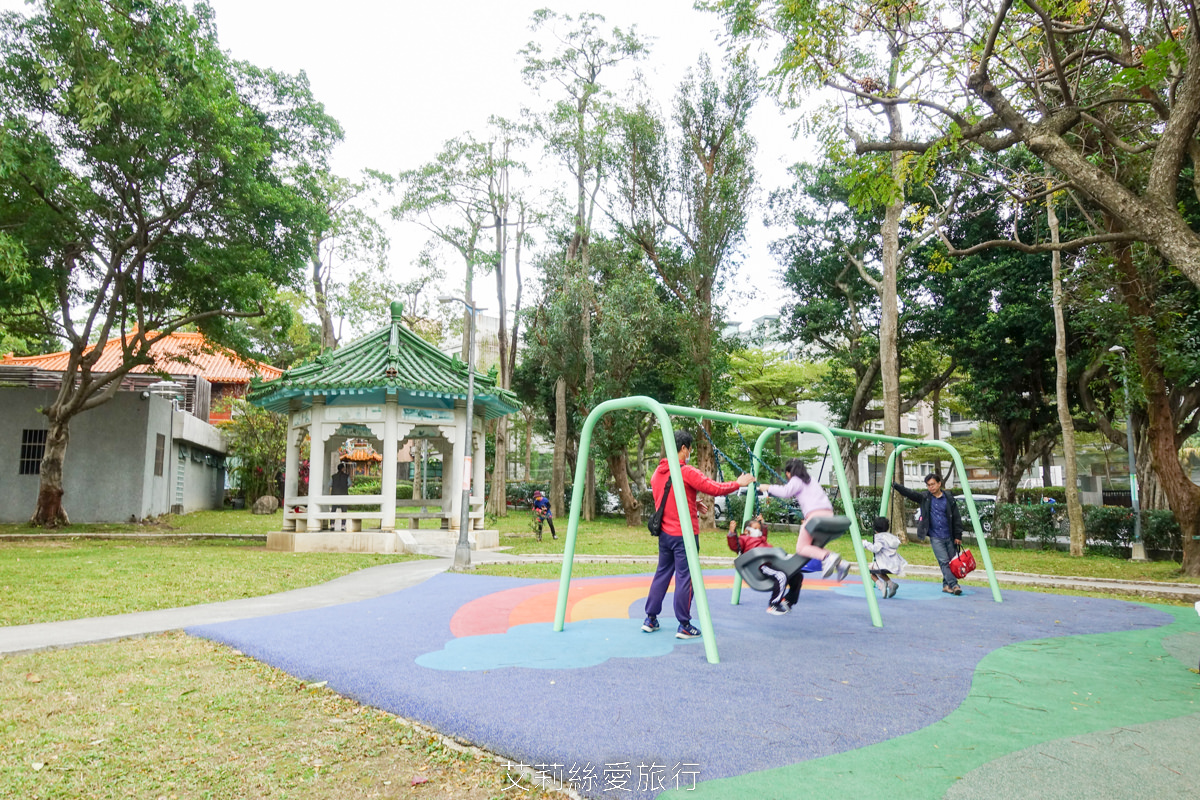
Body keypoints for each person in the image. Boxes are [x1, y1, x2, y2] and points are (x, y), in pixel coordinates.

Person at [643, 430, 754, 639]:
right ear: (684, 448)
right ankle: (684, 624)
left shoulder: (657, 473)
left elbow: (665, 500)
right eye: (690, 448)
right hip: (684, 536)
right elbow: (713, 488)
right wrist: (738, 484)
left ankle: (650, 618)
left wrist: (691, 502)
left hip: (665, 535)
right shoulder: (686, 472)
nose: (690, 452)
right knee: (685, 577)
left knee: (662, 574)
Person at [758, 459, 850, 581]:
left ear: (789, 473)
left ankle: (828, 556)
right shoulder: (811, 480)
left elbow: (786, 492)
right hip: (828, 514)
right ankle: (840, 564)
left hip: (815, 516)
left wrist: (767, 487)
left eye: (787, 475)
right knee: (814, 546)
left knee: (801, 548)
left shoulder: (796, 480)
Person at [893, 473, 964, 595]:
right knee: (944, 561)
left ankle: (946, 585)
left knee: (952, 562)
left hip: (950, 535)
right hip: (936, 536)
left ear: (939, 484)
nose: (931, 487)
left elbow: (956, 517)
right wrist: (896, 486)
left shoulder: (948, 498)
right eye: (928, 485)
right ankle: (954, 584)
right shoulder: (925, 497)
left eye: (933, 484)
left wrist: (958, 536)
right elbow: (910, 493)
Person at [727, 515, 801, 615]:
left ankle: (788, 600)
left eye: (759, 529)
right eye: (755, 529)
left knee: (797, 574)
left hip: (773, 561)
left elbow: (764, 535)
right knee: (781, 576)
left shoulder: (761, 539)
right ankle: (773, 605)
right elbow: (735, 546)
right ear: (746, 531)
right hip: (760, 565)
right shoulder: (743, 539)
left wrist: (762, 524)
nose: (758, 531)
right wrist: (732, 532)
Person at [864, 516, 907, 599]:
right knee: (877, 570)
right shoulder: (890, 537)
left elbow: (875, 549)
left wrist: (865, 543)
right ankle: (891, 584)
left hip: (885, 563)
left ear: (875, 529)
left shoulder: (880, 538)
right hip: (894, 563)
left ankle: (881, 586)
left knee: (869, 570)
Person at [330, 463, 350, 532]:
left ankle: (332, 524)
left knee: (333, 510)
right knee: (344, 510)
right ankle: (343, 526)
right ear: (342, 469)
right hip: (343, 495)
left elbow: (329, 484)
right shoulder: (346, 476)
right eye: (344, 468)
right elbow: (349, 483)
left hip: (335, 495)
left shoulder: (333, 476)